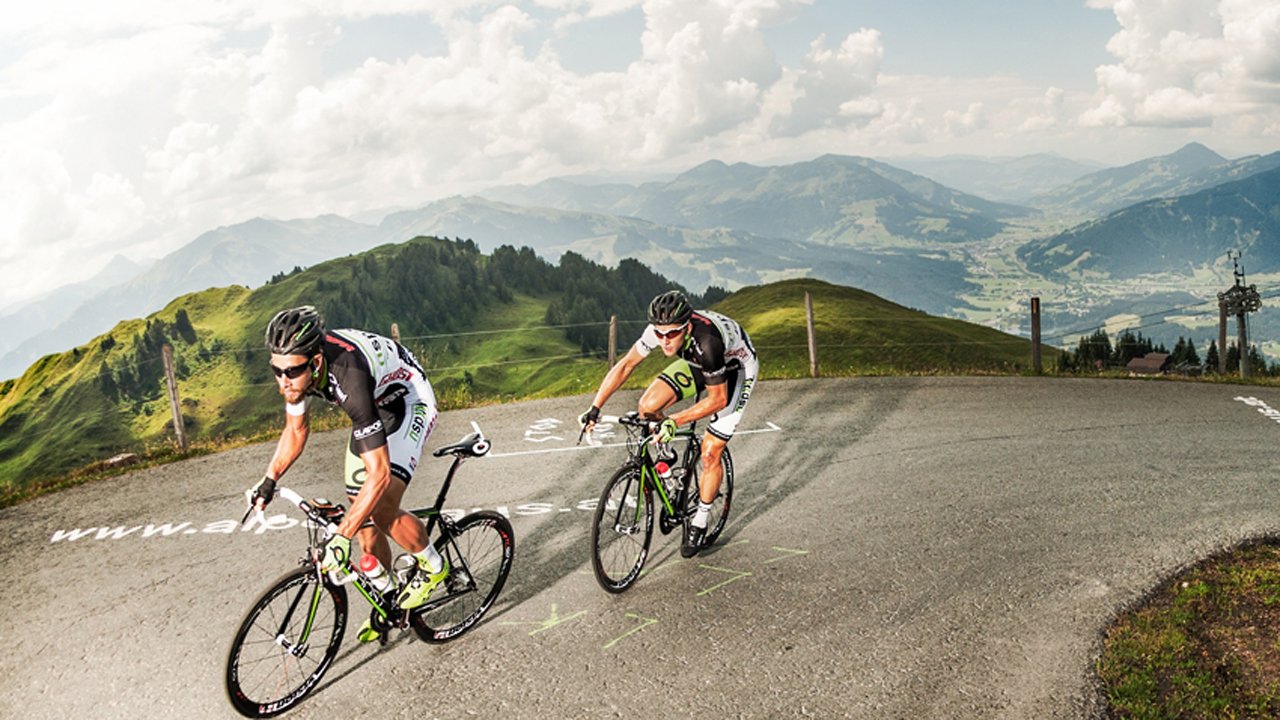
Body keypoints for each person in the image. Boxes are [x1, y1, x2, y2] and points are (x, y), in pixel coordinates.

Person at [245, 306, 447, 642]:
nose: (283, 382)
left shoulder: (347, 377)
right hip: (374, 403)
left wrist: (341, 535)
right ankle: (390, 601)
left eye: (292, 372)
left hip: (408, 400)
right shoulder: (299, 373)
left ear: (316, 362)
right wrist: (270, 480)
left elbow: (380, 474)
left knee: (379, 507)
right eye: (276, 371)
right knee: (362, 518)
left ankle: (432, 566)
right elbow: (296, 432)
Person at [579, 290, 758, 558]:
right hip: (697, 363)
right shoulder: (660, 332)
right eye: (659, 333)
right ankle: (666, 454)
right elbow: (626, 365)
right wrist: (595, 407)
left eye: (671, 334)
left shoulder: (707, 342)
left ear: (686, 327)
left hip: (735, 368)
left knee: (710, 453)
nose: (664, 341)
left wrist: (674, 420)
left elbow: (718, 400)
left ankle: (701, 518)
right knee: (648, 407)